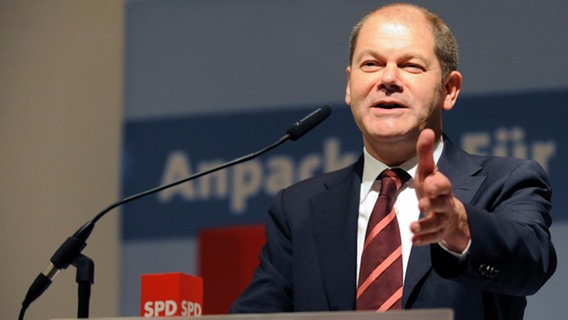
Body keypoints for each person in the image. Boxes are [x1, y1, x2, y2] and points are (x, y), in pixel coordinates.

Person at [229, 3, 557, 319]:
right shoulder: (299, 208)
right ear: (349, 85)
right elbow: (255, 315)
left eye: (410, 65)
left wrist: (460, 227)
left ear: (449, 89)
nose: (387, 78)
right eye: (370, 64)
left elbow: (532, 265)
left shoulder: (506, 181)